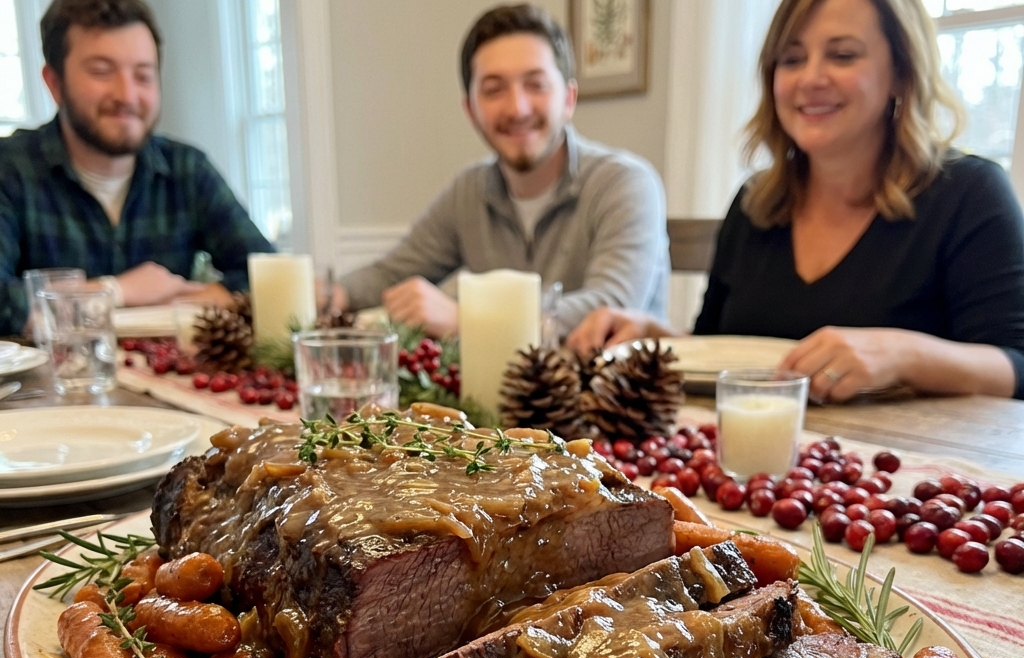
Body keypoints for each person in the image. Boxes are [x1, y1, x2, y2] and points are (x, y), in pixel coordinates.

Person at [567, 0, 1024, 402]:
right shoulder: (753, 204)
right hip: (759, 476)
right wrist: (653, 337)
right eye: (791, 59)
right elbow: (719, 346)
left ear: (901, 73)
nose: (810, 78)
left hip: (908, 482)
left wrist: (904, 354)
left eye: (843, 55)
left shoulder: (971, 192)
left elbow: (1015, 366)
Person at [335, 3, 669, 340]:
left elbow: (608, 309)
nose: (517, 108)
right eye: (494, 90)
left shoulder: (625, 184)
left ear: (568, 99)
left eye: (535, 85)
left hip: (609, 389)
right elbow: (391, 273)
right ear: (470, 109)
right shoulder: (468, 191)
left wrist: (469, 320)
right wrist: (331, 295)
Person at [0, 0, 274, 337]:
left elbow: (267, 274)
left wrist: (185, 299)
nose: (127, 94)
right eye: (101, 71)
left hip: (169, 381)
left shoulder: (187, 168)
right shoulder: (10, 169)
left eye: (143, 75)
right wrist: (117, 291)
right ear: (54, 83)